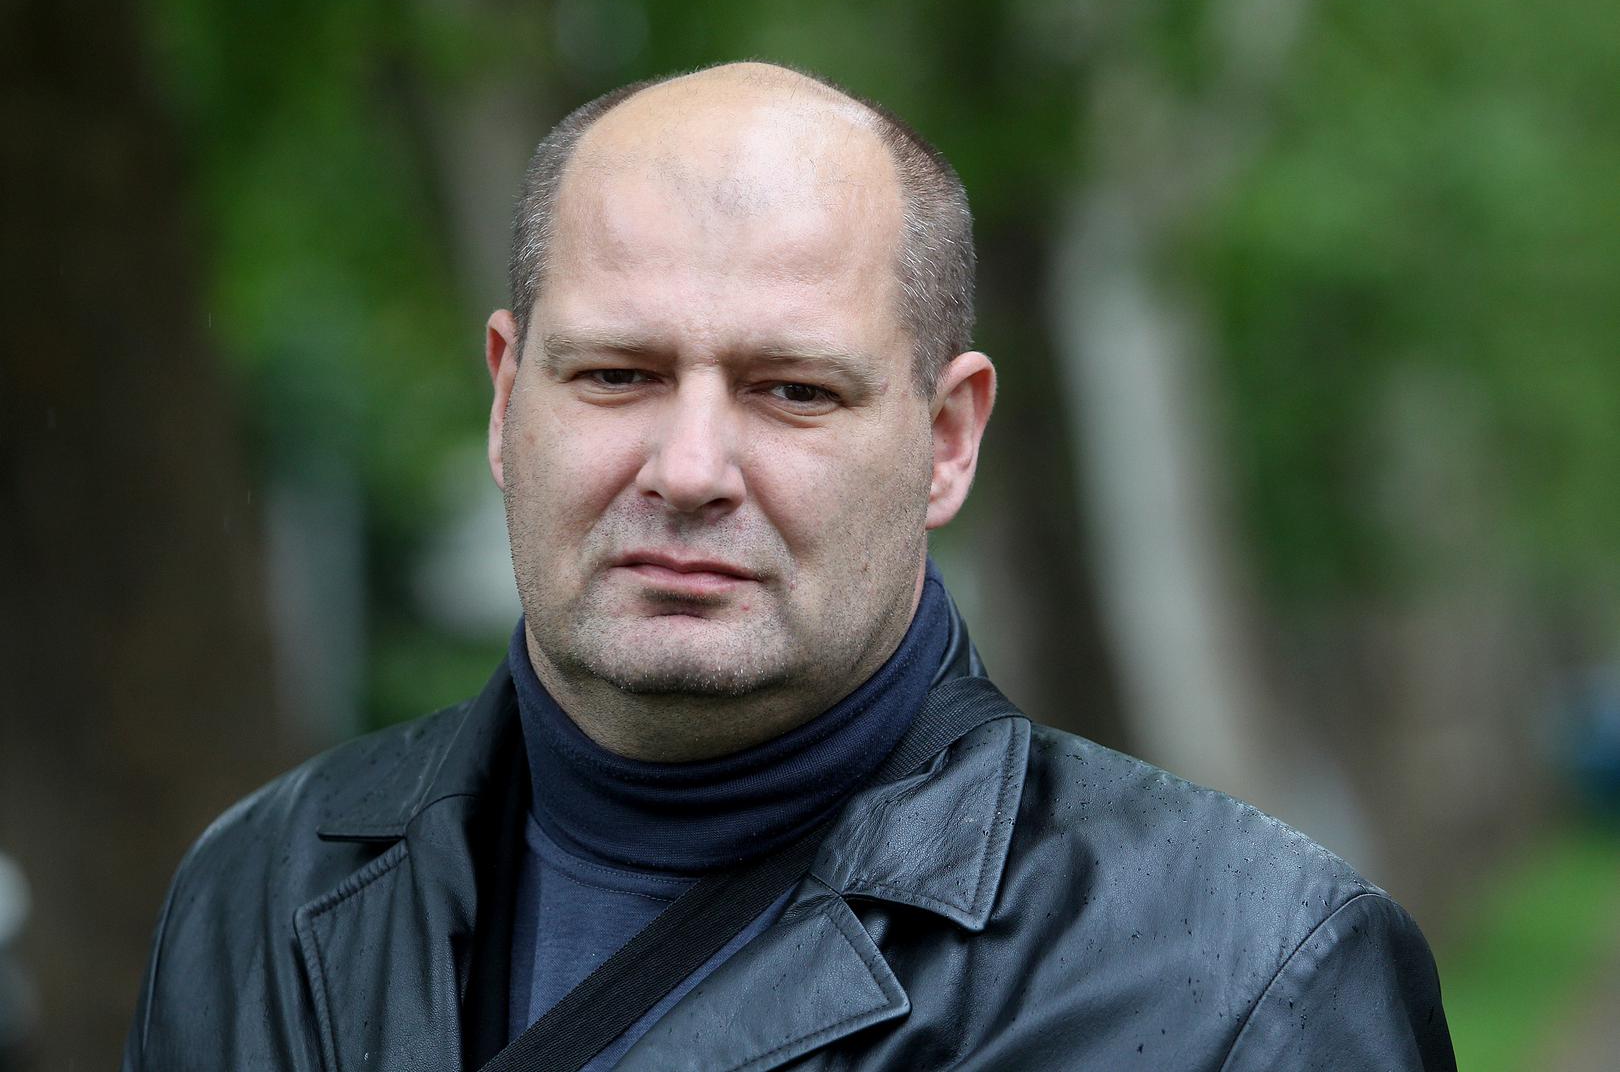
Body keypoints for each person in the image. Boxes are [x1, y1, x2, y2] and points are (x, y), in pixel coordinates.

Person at [122, 62, 1455, 1071]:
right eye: (618, 374)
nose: (690, 467)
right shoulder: (260, 894)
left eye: (793, 390)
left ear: (947, 438)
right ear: (506, 397)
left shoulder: (1245, 986)